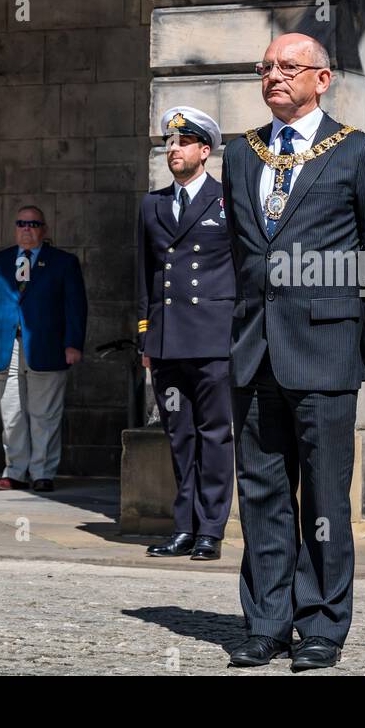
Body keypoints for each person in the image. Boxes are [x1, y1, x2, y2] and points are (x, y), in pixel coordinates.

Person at [220, 33, 365, 671]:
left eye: (287, 67)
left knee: (324, 498)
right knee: (263, 495)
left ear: (322, 79)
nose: (273, 76)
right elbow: (238, 255)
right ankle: (266, 622)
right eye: (265, 66)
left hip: (325, 350)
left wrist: (353, 330)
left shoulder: (356, 152)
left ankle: (322, 623)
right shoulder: (241, 154)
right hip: (254, 351)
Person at [136, 106, 236, 562]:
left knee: (214, 434)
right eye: (168, 143)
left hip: (213, 338)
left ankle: (210, 530)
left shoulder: (228, 200)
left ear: (205, 150)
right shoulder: (152, 205)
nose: (173, 150)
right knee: (179, 435)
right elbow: (143, 275)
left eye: (181, 143)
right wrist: (145, 335)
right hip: (167, 338)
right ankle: (184, 527)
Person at [0, 205, 87, 492]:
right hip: (5, 345)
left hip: (47, 346)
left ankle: (42, 472)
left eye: (33, 224)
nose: (27, 228)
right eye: (22, 223)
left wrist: (73, 344)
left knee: (44, 414)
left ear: (44, 230)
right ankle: (15, 472)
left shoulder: (63, 263)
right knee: (11, 413)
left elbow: (75, 307)